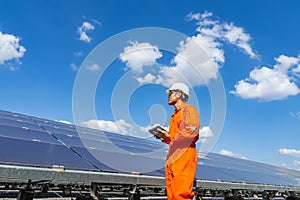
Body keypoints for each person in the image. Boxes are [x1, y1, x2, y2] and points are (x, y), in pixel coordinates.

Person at [156, 82, 200, 200]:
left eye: (170, 93)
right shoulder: (174, 115)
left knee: (180, 194)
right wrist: (165, 138)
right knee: (172, 195)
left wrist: (170, 137)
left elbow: (192, 133)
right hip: (173, 155)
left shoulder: (189, 110)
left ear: (179, 94)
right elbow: (176, 138)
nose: (168, 96)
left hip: (184, 154)